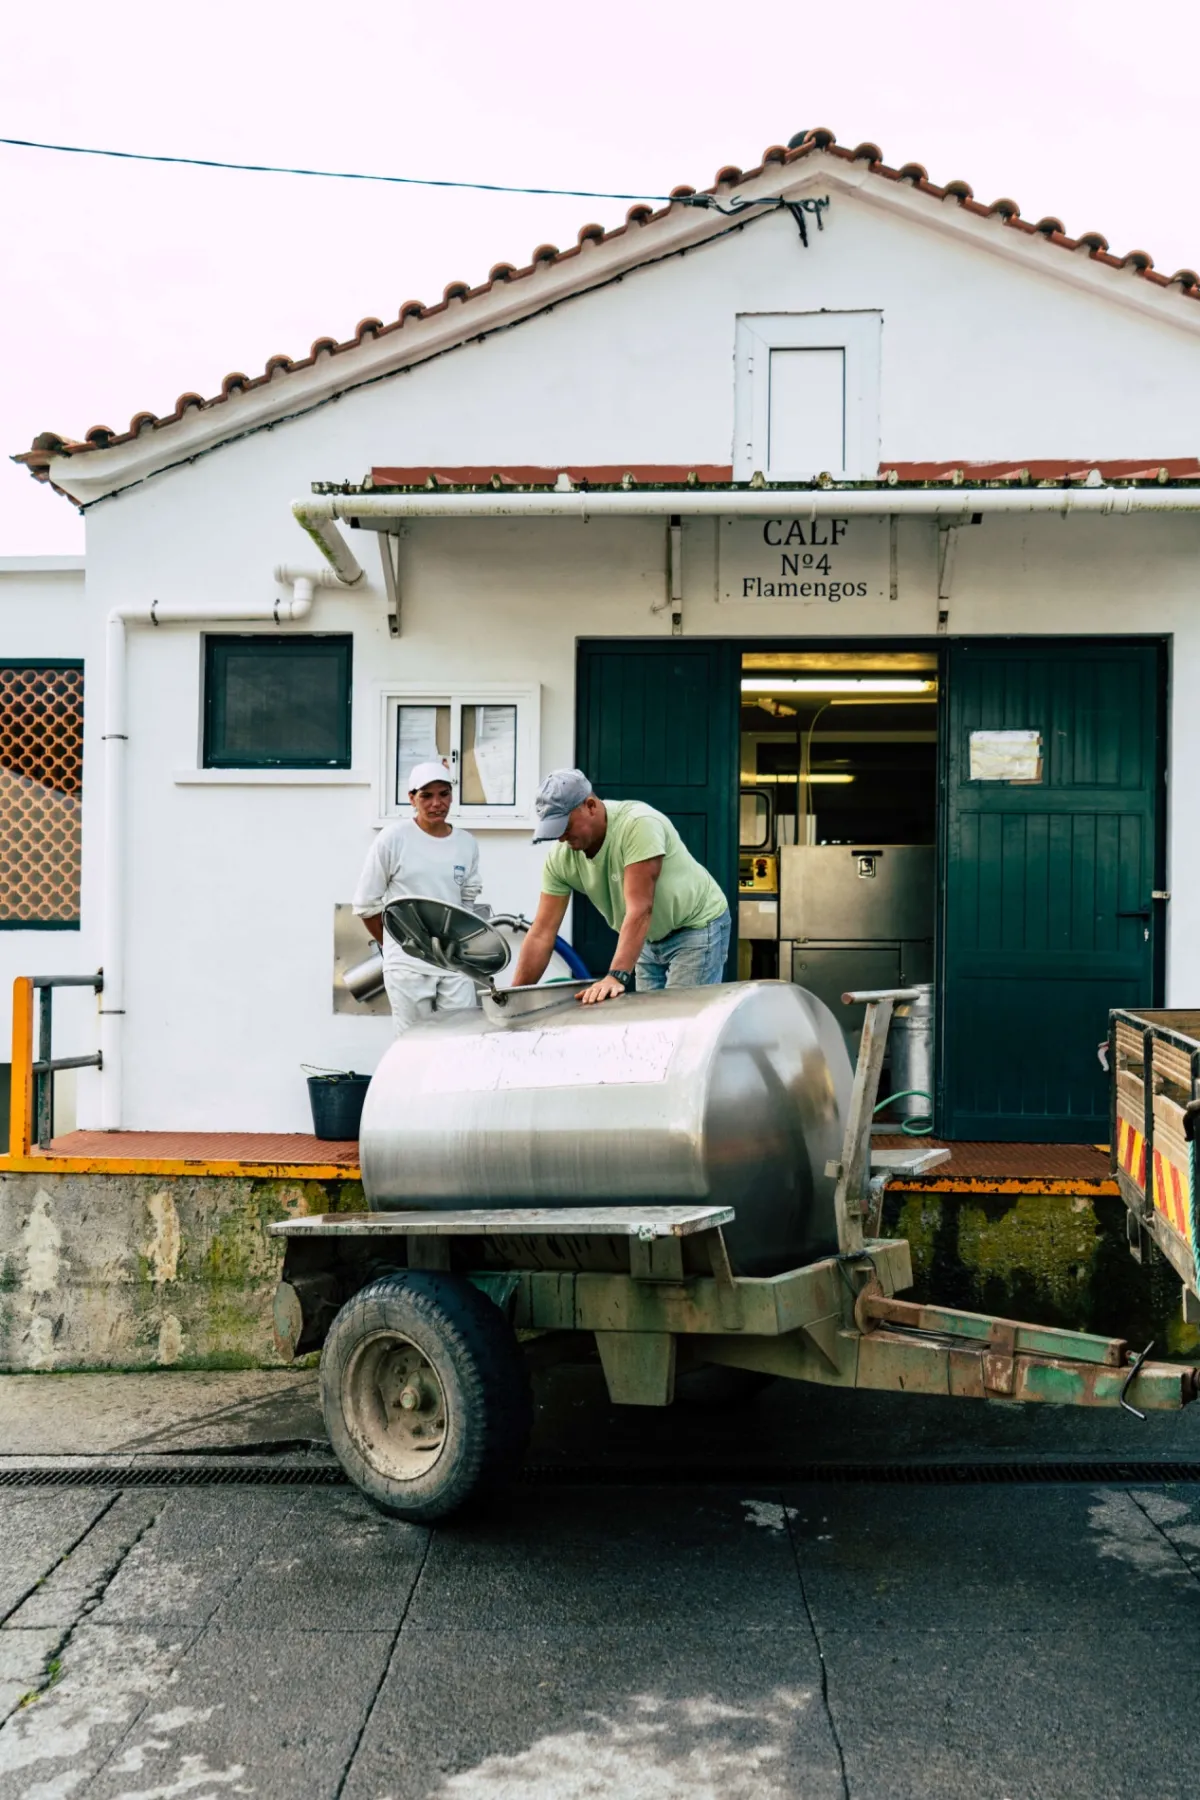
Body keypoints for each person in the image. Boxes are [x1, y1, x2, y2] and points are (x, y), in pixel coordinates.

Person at [510, 768, 730, 1006]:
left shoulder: (638, 825)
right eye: (555, 831)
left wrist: (615, 976)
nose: (561, 838)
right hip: (648, 937)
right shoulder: (560, 859)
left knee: (679, 1019)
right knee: (648, 1021)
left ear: (591, 806)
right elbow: (542, 933)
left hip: (694, 925)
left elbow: (640, 908)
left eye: (565, 826)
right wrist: (513, 998)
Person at [353, 761, 483, 1033]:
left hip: (453, 964)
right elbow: (366, 905)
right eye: (426, 795)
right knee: (414, 1045)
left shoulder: (466, 843)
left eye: (444, 794)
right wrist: (401, 946)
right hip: (407, 969)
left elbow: (466, 905)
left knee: (460, 1040)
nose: (437, 803)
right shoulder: (394, 838)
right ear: (411, 798)